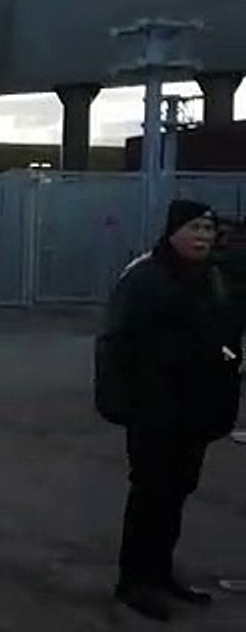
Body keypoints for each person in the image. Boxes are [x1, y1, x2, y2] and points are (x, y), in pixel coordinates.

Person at [95, 199, 242, 622]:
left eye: (208, 230)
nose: (202, 237)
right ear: (173, 232)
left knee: (176, 492)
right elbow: (114, 341)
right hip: (151, 408)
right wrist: (117, 400)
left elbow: (227, 335)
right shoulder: (144, 277)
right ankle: (134, 581)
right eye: (194, 229)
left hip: (196, 409)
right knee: (150, 494)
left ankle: (160, 574)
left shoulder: (214, 278)